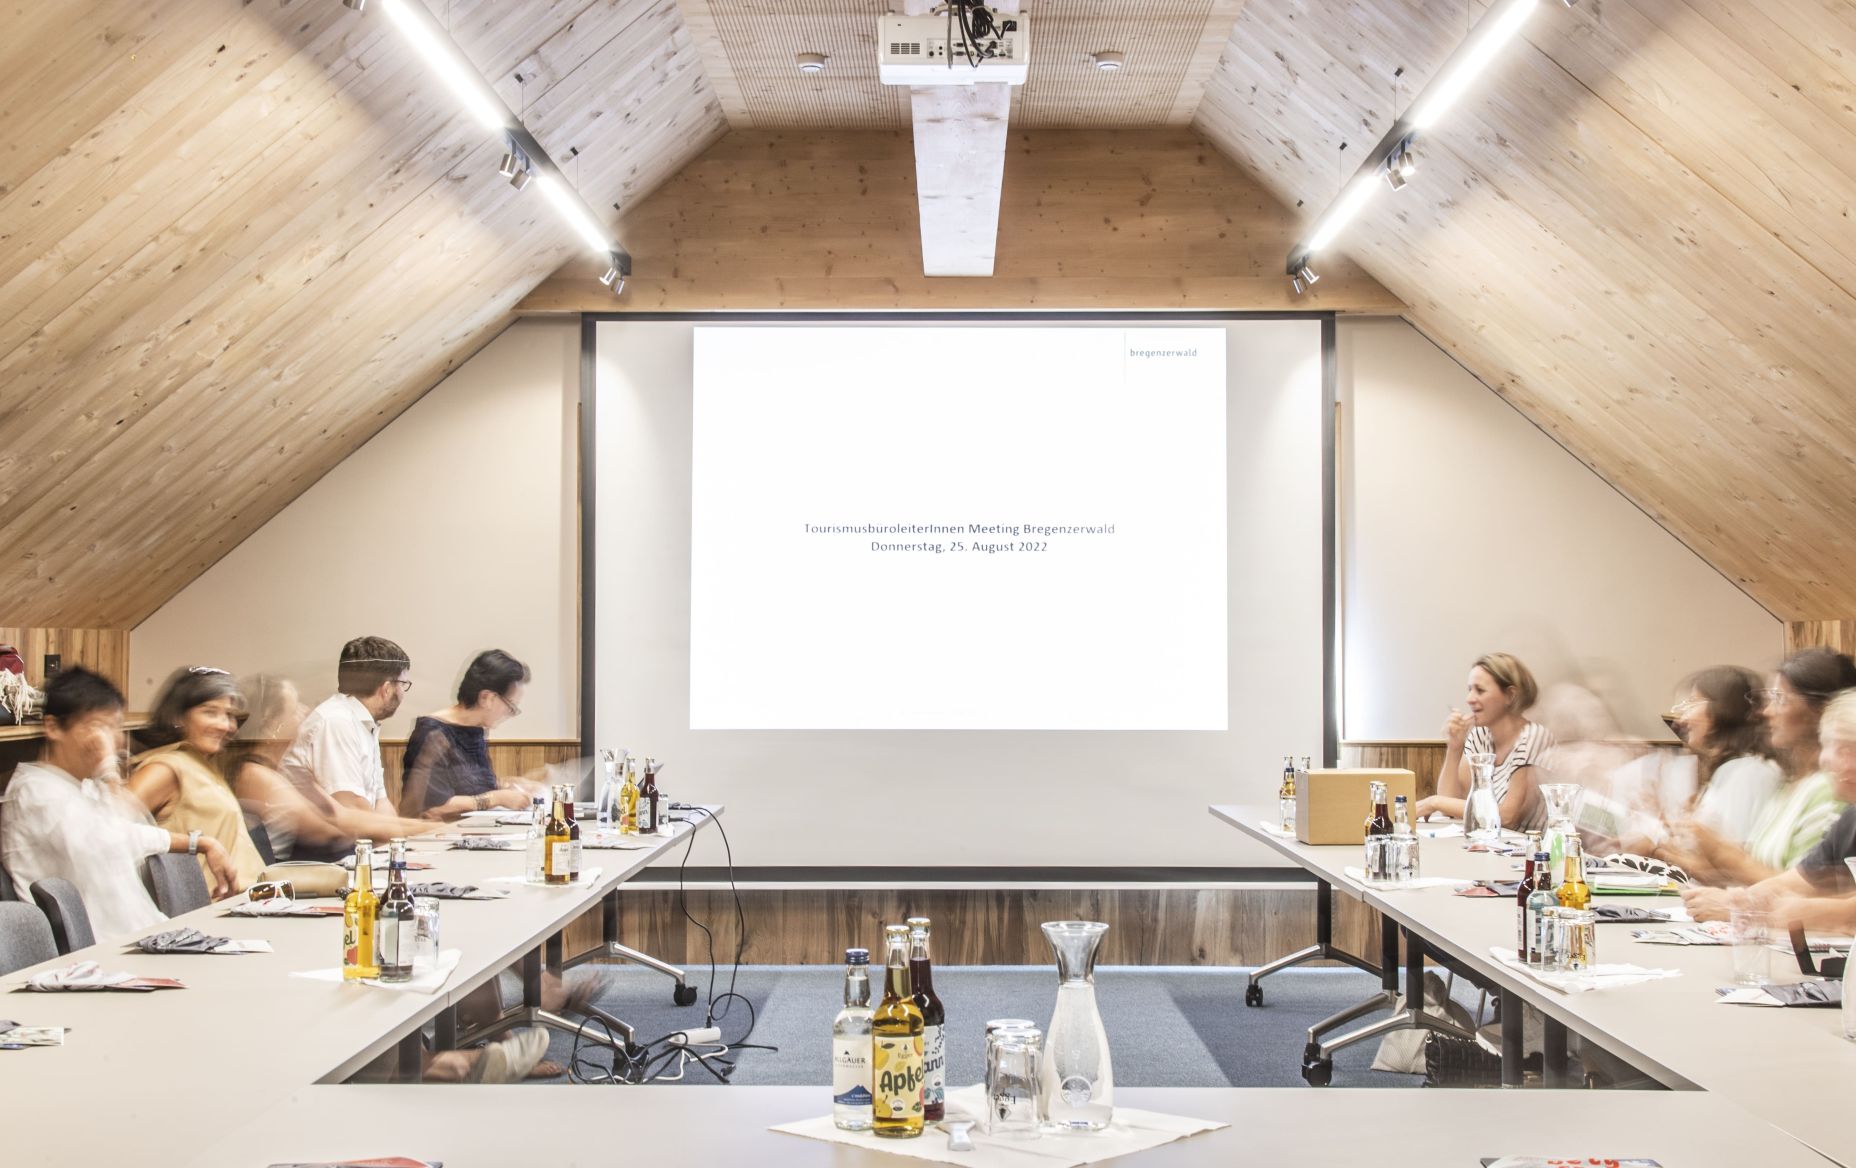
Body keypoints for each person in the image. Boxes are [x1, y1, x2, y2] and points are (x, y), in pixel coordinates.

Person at [1, 668, 239, 941]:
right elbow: (105, 841)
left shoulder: (82, 786)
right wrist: (108, 771)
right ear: (53, 727)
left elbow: (130, 831)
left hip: (146, 937)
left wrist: (200, 843)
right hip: (94, 955)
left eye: (113, 727)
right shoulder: (34, 792)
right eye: (96, 726)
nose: (108, 740)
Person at [1669, 648, 1856, 887]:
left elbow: (1811, 892)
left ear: (1820, 710)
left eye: (1780, 699)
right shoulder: (1792, 785)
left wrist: (1717, 851)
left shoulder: (1829, 790)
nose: (1766, 712)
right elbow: (1792, 884)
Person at [1685, 688, 1856, 929]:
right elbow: (1797, 881)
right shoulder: (1851, 818)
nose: (1825, 759)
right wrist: (1741, 902)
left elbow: (1839, 915)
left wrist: (1763, 912)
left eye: (1838, 747)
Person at [222, 674, 437, 861]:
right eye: (295, 707)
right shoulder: (255, 775)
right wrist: (427, 830)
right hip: (282, 885)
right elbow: (327, 827)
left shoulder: (282, 771)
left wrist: (428, 830)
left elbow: (340, 815)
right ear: (273, 723)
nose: (304, 711)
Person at [126, 667, 266, 889]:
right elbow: (112, 832)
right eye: (210, 712)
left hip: (249, 901)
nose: (224, 725)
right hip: (207, 911)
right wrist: (195, 844)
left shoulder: (201, 762)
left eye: (229, 715)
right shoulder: (165, 768)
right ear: (178, 717)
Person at [1415, 652, 1554, 832]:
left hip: (1529, 854)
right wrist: (1454, 748)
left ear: (1510, 695)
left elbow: (1507, 817)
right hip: (1488, 845)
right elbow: (1451, 800)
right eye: (1469, 689)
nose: (1469, 699)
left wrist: (1433, 802)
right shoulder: (1480, 735)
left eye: (1480, 690)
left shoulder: (1535, 737)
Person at [399, 650, 537, 820]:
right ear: (487, 698)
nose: (509, 714)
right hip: (439, 837)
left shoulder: (475, 730)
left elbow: (470, 787)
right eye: (511, 707)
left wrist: (507, 785)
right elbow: (431, 808)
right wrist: (497, 798)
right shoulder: (432, 733)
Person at [281, 636, 410, 816]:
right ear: (387, 688)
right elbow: (351, 807)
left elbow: (380, 801)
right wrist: (420, 828)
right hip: (309, 842)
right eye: (403, 684)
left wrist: (401, 839)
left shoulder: (363, 721)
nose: (403, 693)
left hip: (346, 840)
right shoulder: (336, 721)